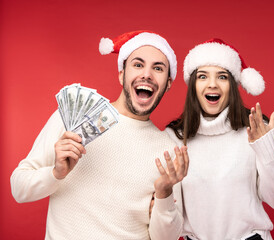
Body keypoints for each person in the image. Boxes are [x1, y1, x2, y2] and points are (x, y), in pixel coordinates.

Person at [10, 30, 189, 240]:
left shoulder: (168, 152)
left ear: (167, 84)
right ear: (122, 74)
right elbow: (19, 189)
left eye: (157, 68)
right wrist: (55, 173)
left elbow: (166, 238)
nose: (147, 74)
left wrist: (164, 193)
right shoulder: (74, 117)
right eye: (138, 65)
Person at [165, 38, 274, 240]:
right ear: (193, 85)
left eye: (222, 77)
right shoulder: (175, 137)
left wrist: (267, 149)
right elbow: (172, 218)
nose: (212, 84)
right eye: (203, 76)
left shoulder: (255, 128)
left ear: (232, 85)